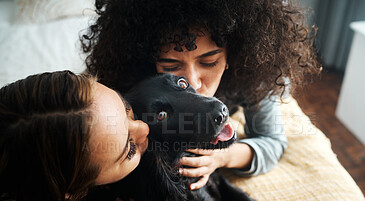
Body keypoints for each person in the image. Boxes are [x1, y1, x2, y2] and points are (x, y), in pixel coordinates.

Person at [81, 0, 321, 190]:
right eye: (171, 66)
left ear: (234, 54)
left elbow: (273, 141)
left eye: (209, 62)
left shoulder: (255, 78)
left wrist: (222, 157)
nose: (193, 83)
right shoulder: (130, 90)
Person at [0, 71, 155, 201]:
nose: (144, 127)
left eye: (125, 108)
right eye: (129, 148)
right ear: (71, 192)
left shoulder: (62, 110)